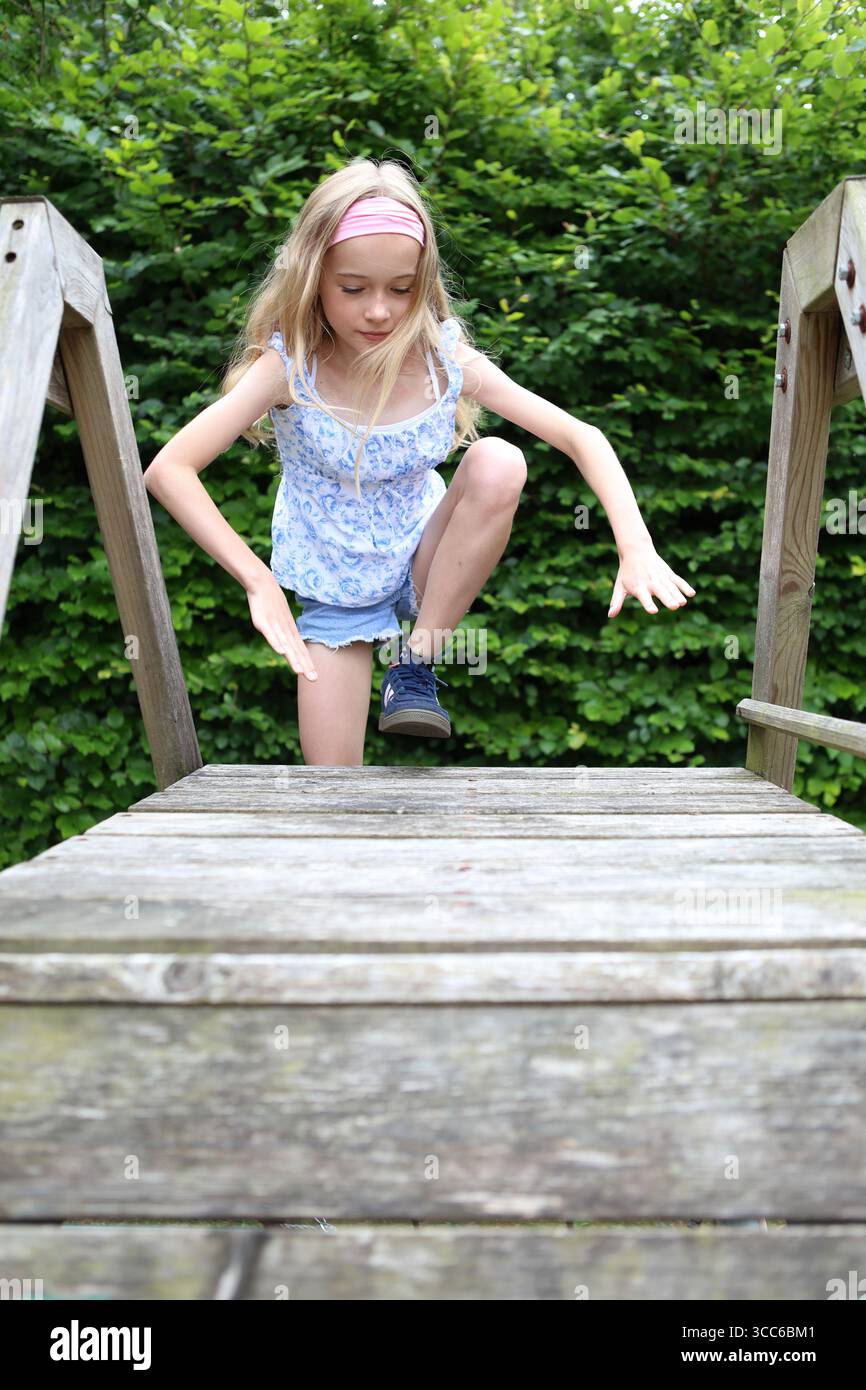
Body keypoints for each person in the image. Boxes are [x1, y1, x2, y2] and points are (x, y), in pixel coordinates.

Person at [144, 157, 695, 766]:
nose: (379, 311)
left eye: (401, 289)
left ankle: (418, 661)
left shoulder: (443, 359)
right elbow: (169, 469)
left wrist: (635, 546)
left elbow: (581, 436)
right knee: (331, 790)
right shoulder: (288, 368)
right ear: (313, 278)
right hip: (336, 587)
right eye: (353, 288)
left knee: (499, 460)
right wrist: (258, 580)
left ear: (421, 281)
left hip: (425, 560)